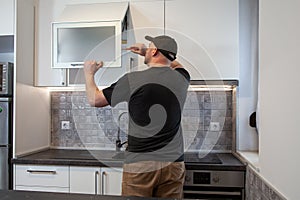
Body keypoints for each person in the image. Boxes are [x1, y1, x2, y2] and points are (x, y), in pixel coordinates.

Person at [84, 35, 190, 199]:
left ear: (154, 51)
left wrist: (89, 73)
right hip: (174, 164)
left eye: (149, 47)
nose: (146, 49)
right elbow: (175, 64)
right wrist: (150, 52)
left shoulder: (132, 80)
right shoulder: (183, 78)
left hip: (141, 164)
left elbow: (94, 99)